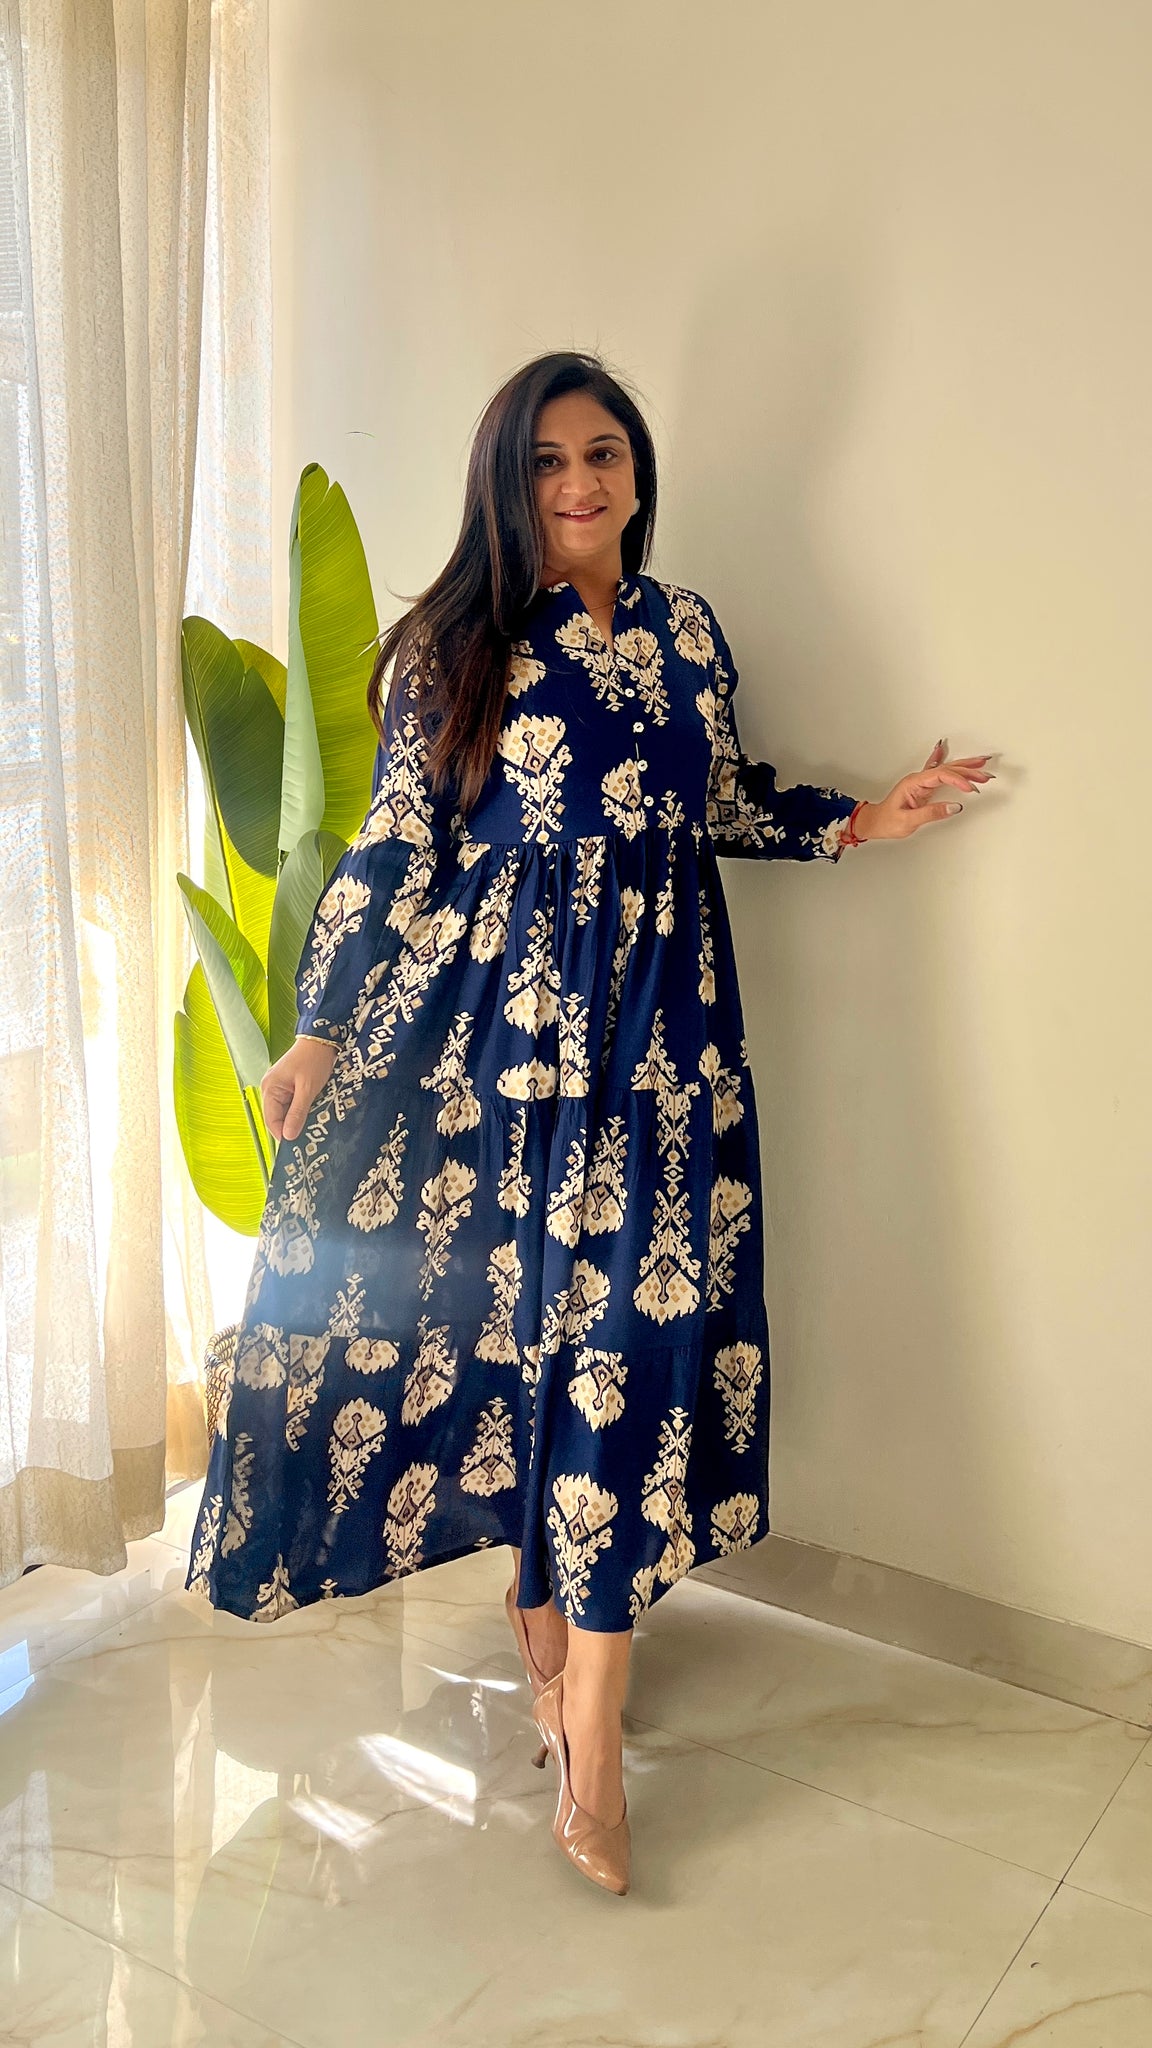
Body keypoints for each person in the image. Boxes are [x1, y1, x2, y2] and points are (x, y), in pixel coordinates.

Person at [185, 349, 994, 1896]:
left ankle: (588, 1709)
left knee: (629, 1353)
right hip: (502, 1058)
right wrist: (321, 1030)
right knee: (530, 1341)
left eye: (602, 453)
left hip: (671, 1055)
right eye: (548, 460)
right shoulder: (458, 646)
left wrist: (860, 818)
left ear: (636, 471)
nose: (578, 482)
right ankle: (562, 1661)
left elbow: (717, 801)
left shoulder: (689, 632)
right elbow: (393, 848)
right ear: (510, 483)